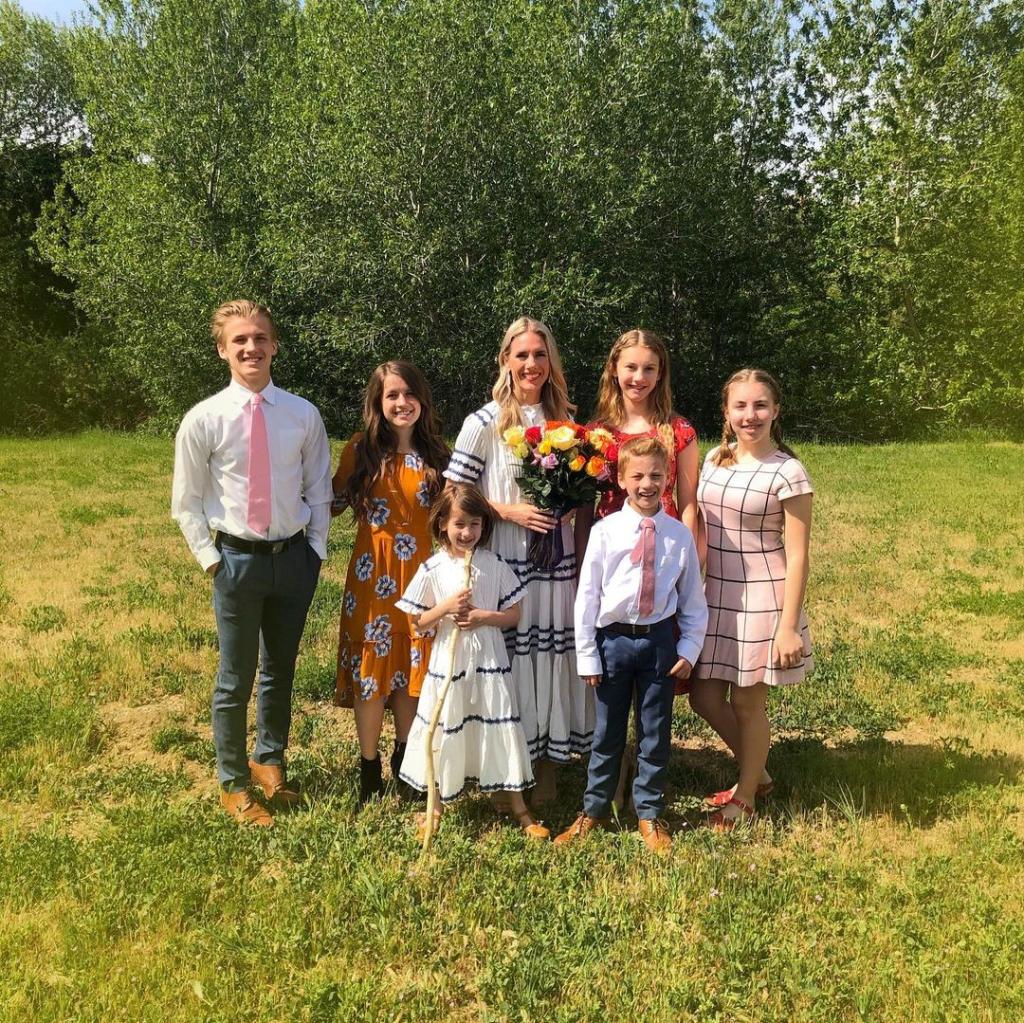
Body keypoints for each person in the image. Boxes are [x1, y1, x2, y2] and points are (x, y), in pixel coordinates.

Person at [171, 299, 332, 826]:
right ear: (223, 350)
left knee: (279, 672)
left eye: (260, 338)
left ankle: (270, 760)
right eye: (239, 340)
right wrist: (212, 560)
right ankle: (232, 782)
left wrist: (315, 551)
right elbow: (186, 502)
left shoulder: (302, 415)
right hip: (236, 562)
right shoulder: (204, 419)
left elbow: (319, 490)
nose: (251, 348)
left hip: (292, 561)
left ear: (275, 346)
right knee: (235, 677)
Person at [444, 316, 592, 803]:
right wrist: (505, 510)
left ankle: (547, 763)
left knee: (551, 657)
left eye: (540, 355)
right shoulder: (483, 423)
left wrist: (568, 502)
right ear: (506, 360)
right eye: (522, 355)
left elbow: (578, 490)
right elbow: (454, 494)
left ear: (551, 363)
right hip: (504, 559)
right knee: (509, 660)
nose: (531, 364)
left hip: (554, 562)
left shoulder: (567, 426)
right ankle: (505, 767)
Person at [556, 437, 707, 853]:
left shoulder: (678, 537)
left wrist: (688, 650)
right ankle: (594, 809)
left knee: (654, 733)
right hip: (613, 643)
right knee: (606, 732)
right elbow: (586, 599)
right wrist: (588, 654)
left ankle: (649, 814)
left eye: (656, 475)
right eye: (637, 475)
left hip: (659, 644)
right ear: (621, 479)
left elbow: (694, 601)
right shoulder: (605, 533)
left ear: (668, 478)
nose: (647, 484)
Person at [689, 368, 814, 830]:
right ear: (726, 412)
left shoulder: (788, 472)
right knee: (702, 697)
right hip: (716, 592)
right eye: (740, 406)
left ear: (775, 410)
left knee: (746, 703)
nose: (750, 415)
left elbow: (798, 555)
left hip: (764, 596)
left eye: (760, 405)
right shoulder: (715, 459)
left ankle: (745, 797)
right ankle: (757, 771)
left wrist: (787, 625)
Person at [396, 483, 548, 840]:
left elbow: (514, 614)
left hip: (489, 663)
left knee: (498, 723)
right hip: (449, 665)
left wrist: (482, 616)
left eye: (475, 525)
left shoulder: (492, 564)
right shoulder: (433, 568)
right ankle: (435, 806)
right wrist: (446, 608)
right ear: (442, 526)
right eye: (460, 524)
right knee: (446, 722)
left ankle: (518, 806)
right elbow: (416, 622)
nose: (467, 533)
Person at [330, 361, 448, 804]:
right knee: (372, 672)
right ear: (378, 403)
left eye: (409, 393)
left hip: (420, 575)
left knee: (410, 669)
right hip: (371, 574)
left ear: (422, 400)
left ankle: (405, 759)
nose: (402, 403)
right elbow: (332, 503)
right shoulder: (360, 450)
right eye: (392, 395)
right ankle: (368, 768)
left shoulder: (438, 454)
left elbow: (452, 521)